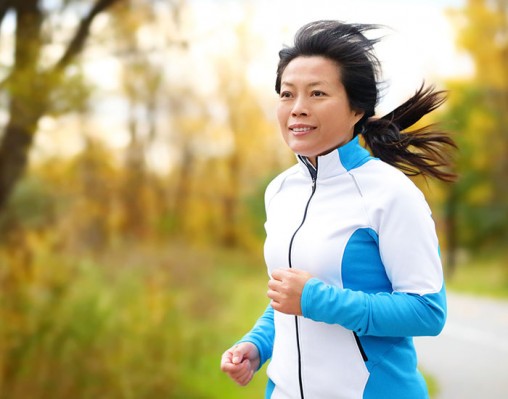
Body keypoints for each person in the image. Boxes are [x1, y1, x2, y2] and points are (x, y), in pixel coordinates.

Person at [220, 20, 456, 399]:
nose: (297, 109)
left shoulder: (391, 193)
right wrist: (258, 344)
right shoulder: (280, 191)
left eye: (317, 93)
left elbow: (427, 311)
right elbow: (289, 297)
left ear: (356, 109)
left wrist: (316, 300)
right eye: (286, 94)